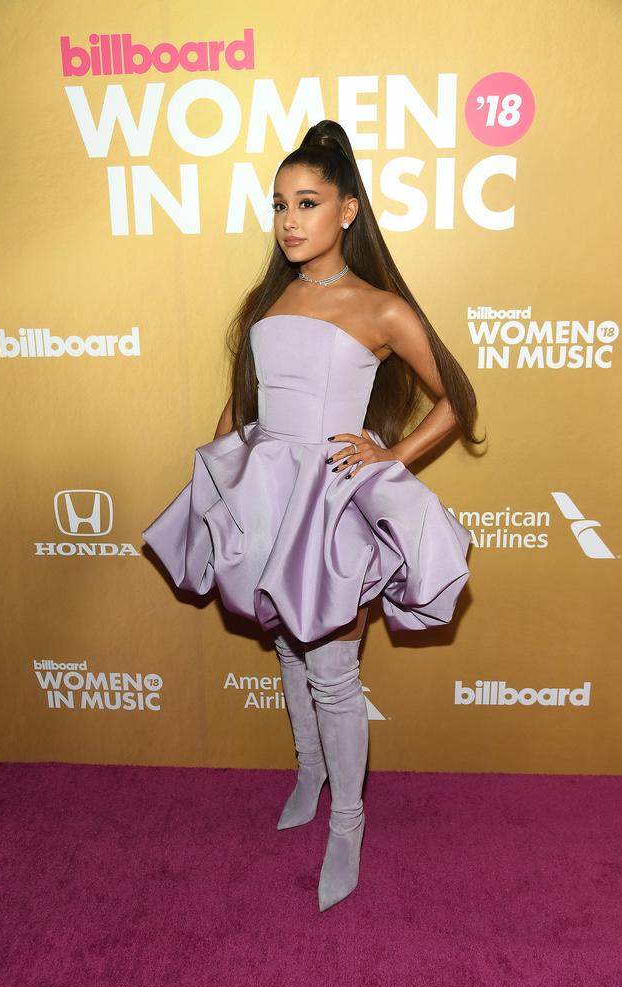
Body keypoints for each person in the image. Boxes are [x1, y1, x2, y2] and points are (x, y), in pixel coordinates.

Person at [142, 119, 485, 913]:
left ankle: (348, 825)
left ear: (349, 211)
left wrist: (388, 458)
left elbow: (457, 402)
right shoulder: (270, 299)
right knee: (288, 650)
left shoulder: (381, 308)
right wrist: (215, 478)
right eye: (278, 205)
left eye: (307, 202)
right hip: (265, 489)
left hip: (328, 504)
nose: (290, 220)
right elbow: (246, 398)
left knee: (332, 670)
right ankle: (308, 772)